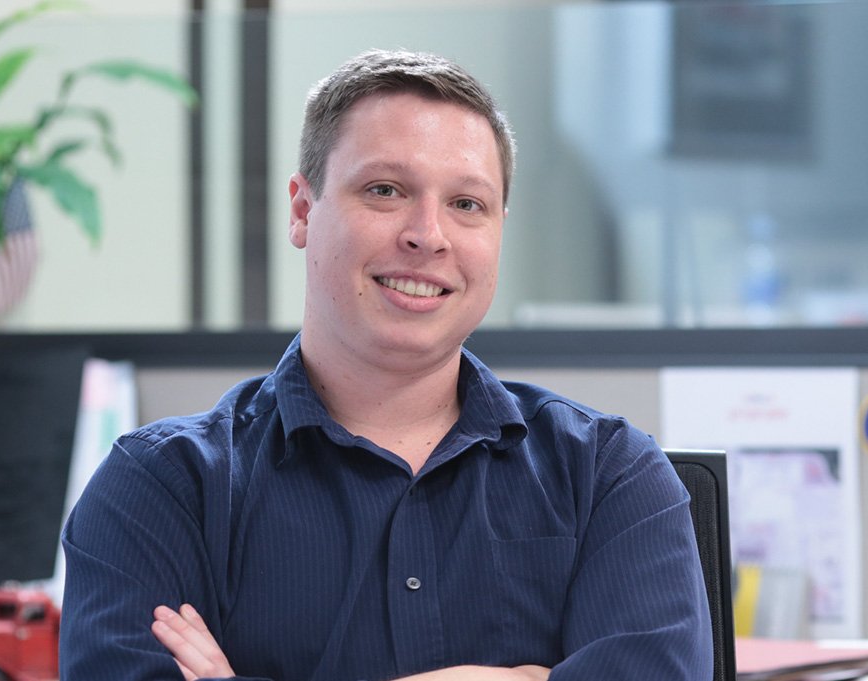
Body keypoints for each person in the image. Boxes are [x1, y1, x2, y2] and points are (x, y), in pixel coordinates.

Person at [59, 49, 713, 681]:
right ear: (301, 210)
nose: (428, 234)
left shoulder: (609, 475)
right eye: (386, 189)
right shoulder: (160, 491)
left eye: (467, 204)